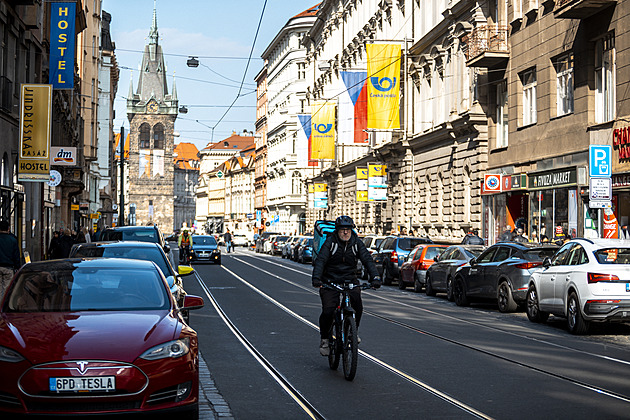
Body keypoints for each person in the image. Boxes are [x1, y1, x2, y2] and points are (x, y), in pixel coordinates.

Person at [312, 215, 381, 356]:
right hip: (329, 281)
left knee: (358, 306)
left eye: (348, 230)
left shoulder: (356, 243)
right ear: (337, 231)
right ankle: (325, 338)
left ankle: (353, 332)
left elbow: (367, 259)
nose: (345, 233)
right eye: (342, 230)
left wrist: (375, 277)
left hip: (350, 279)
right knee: (328, 311)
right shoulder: (330, 242)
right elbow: (321, 261)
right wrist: (317, 279)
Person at [0, 220, 20, 298]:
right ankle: (4, 307)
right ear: (8, 229)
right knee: (7, 290)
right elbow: (16, 256)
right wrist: (17, 267)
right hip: (8, 268)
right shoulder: (13, 240)